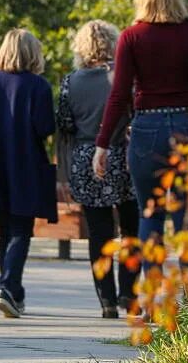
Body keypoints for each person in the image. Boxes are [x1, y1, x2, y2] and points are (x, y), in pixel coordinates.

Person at [94, 0, 188, 283]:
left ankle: (153, 297)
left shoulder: (131, 37)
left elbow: (119, 94)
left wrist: (103, 143)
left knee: (149, 213)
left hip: (147, 129)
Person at [0, 29, 56, 319]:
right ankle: (7, 287)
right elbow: (45, 128)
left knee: (6, 229)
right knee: (20, 230)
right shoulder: (38, 86)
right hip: (25, 165)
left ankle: (11, 291)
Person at [56, 20, 140, 319]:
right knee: (132, 227)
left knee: (99, 232)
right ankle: (128, 293)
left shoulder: (70, 81)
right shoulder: (124, 79)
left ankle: (105, 299)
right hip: (121, 155)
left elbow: (65, 122)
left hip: (84, 158)